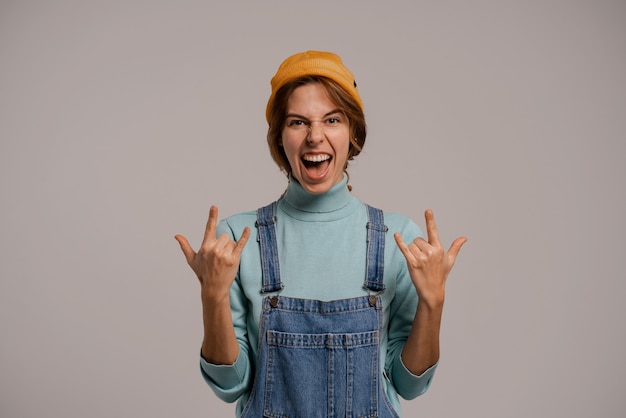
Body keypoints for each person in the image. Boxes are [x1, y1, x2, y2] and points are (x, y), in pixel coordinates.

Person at [175, 50, 467, 417]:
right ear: (280, 138)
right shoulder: (236, 240)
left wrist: (433, 303)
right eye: (298, 122)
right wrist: (212, 298)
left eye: (332, 120)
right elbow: (232, 385)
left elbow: (409, 385)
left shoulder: (399, 240)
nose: (315, 136)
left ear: (352, 132)